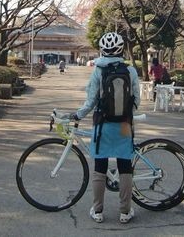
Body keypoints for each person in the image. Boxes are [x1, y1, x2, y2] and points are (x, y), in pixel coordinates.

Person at [66, 32, 140, 224]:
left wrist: (78, 115)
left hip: (103, 126)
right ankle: (125, 211)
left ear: (102, 50)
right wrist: (125, 114)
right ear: (121, 49)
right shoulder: (130, 71)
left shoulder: (98, 70)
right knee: (125, 167)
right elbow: (137, 101)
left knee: (100, 167)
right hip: (124, 125)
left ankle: (98, 210)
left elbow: (90, 102)